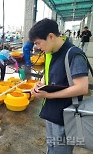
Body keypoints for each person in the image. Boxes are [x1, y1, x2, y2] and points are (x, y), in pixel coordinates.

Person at [29, 18, 89, 154]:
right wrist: (39, 84)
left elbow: (82, 88)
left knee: (61, 150)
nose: (38, 47)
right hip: (51, 112)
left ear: (50, 36)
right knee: (52, 147)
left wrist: (49, 95)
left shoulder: (74, 55)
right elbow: (48, 74)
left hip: (65, 117)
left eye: (38, 43)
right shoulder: (50, 53)